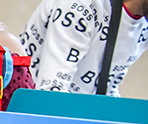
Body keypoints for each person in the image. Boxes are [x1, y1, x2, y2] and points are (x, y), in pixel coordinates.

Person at [20, 0, 148, 95]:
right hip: (29, 112)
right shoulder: (80, 4)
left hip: (79, 111)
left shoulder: (143, 23)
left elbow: (108, 87)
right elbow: (52, 90)